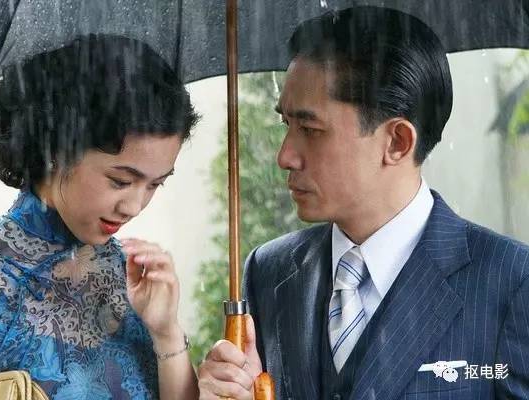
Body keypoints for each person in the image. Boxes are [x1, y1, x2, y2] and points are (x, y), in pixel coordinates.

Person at [198, 6, 529, 400]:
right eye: (287, 125)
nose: (284, 156)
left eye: (310, 129)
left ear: (397, 142)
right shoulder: (268, 272)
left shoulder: (511, 281)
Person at [0, 34, 200, 400]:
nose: (135, 206)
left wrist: (166, 333)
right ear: (56, 149)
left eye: (156, 184)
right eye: (121, 181)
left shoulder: (133, 279)